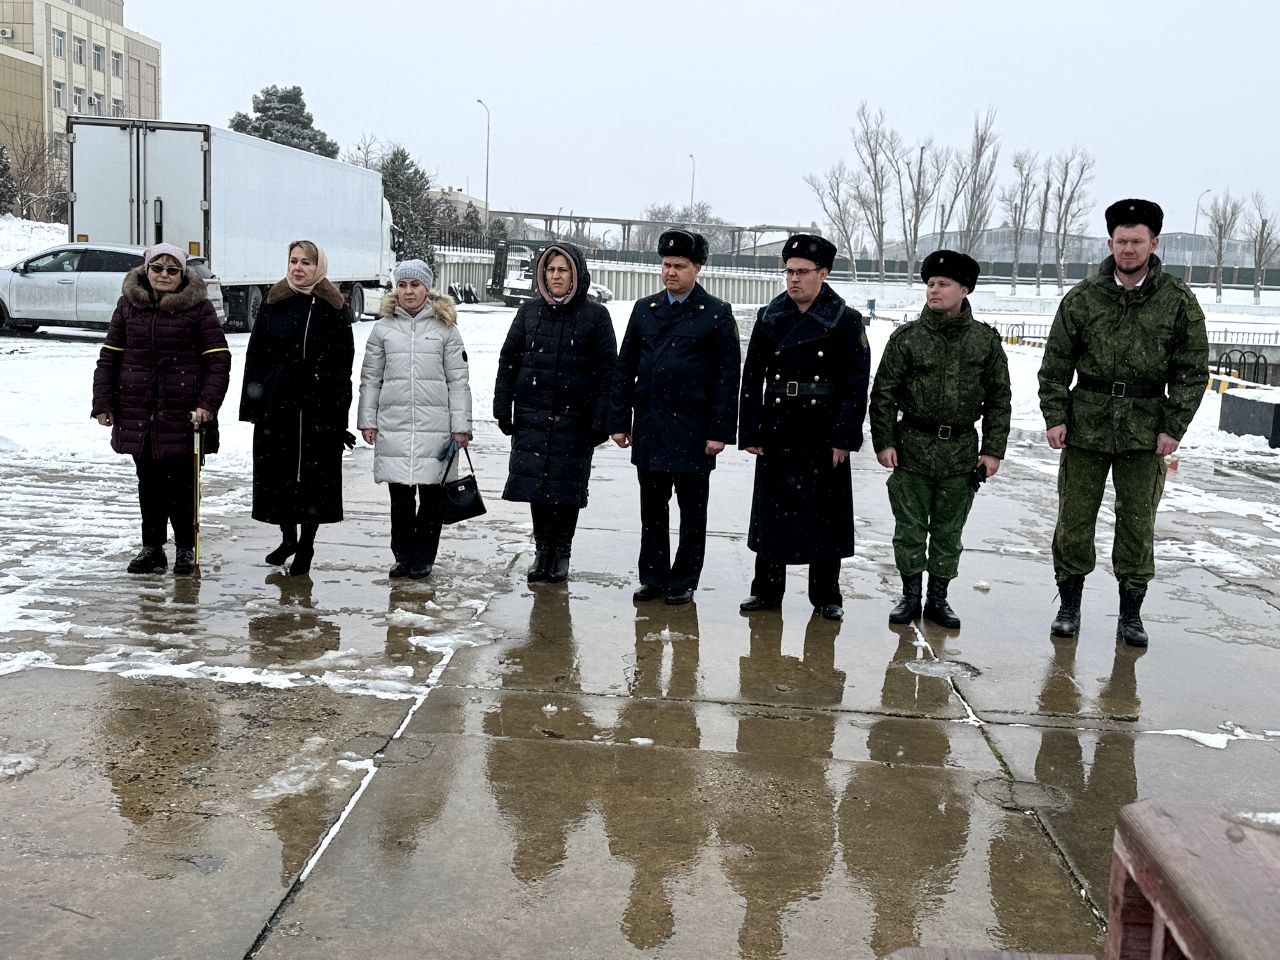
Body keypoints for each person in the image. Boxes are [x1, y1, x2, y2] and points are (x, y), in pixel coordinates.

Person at [1039, 199, 1208, 647]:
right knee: (1074, 519)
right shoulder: (1083, 298)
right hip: (1086, 426)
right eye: (1121, 241)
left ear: (1154, 244)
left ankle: (1130, 613)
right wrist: (1055, 416)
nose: (1128, 249)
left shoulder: (1177, 301)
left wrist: (1173, 426)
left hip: (1145, 431)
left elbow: (1192, 370)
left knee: (1136, 522)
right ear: (1110, 244)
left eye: (1136, 241)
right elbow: (1055, 365)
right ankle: (1069, 606)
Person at [869, 250, 1011, 629]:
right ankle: (910, 596)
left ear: (965, 290)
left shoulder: (984, 342)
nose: (934, 290)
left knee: (949, 532)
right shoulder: (907, 339)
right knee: (910, 528)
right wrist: (884, 441)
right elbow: (884, 393)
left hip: (960, 452)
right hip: (913, 447)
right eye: (930, 283)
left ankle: (938, 598)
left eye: (943, 284)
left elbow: (999, 399)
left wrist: (993, 450)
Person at [737, 234, 870, 621]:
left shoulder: (844, 320)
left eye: (802, 272)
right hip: (779, 425)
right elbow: (752, 377)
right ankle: (766, 591)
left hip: (822, 428)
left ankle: (826, 595)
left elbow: (856, 384)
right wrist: (752, 431)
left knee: (825, 516)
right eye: (789, 271)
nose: (793, 279)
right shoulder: (770, 316)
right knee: (773, 513)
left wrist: (844, 436)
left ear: (823, 274)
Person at [608, 229, 740, 605]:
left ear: (697, 267)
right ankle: (652, 577)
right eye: (666, 265)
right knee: (652, 510)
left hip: (694, 432)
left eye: (679, 266)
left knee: (692, 513)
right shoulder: (644, 310)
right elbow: (624, 369)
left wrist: (719, 431)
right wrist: (618, 421)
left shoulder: (716, 313)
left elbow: (727, 378)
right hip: (650, 426)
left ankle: (683, 579)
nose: (670, 272)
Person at [92, 243, 231, 576]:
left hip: (184, 412)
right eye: (157, 268)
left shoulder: (198, 308)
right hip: (139, 409)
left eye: (172, 270)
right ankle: (152, 548)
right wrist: (103, 402)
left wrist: (207, 403)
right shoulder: (128, 305)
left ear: (182, 274)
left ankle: (185, 547)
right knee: (149, 483)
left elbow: (218, 360)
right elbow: (110, 356)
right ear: (146, 270)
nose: (164, 275)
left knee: (183, 485)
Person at [494, 243, 616, 584]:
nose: (556, 276)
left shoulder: (596, 316)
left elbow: (608, 371)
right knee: (537, 486)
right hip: (533, 415)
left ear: (576, 274)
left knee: (566, 488)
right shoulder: (529, 312)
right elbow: (508, 360)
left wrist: (601, 420)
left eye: (563, 269)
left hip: (575, 420)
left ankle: (561, 552)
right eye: (550, 269)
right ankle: (542, 551)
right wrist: (503, 407)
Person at [239, 240, 355, 577]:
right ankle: (288, 537)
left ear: (319, 267)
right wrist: (253, 404)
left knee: (313, 482)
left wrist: (338, 416)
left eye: (306, 262)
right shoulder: (274, 302)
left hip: (318, 409)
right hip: (277, 406)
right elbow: (256, 355)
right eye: (293, 261)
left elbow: (343, 367)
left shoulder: (333, 307)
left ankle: (306, 545)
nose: (298, 268)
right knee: (279, 478)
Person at [358, 260, 472, 579]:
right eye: (402, 285)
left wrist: (461, 427)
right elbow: (370, 379)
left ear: (427, 289)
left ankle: (423, 557)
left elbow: (458, 382)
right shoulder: (383, 329)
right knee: (400, 499)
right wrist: (368, 419)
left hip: (435, 428)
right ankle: (402, 555)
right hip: (394, 425)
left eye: (415, 285)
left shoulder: (445, 329)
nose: (408, 291)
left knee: (432, 497)